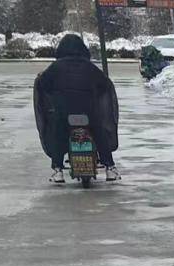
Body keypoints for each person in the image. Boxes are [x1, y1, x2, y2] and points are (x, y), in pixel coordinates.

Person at [32, 34, 121, 184]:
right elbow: (104, 85)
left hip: (63, 113)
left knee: (58, 134)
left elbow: (43, 85)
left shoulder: (55, 67)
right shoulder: (90, 67)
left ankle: (58, 170)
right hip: (89, 113)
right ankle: (109, 167)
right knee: (99, 133)